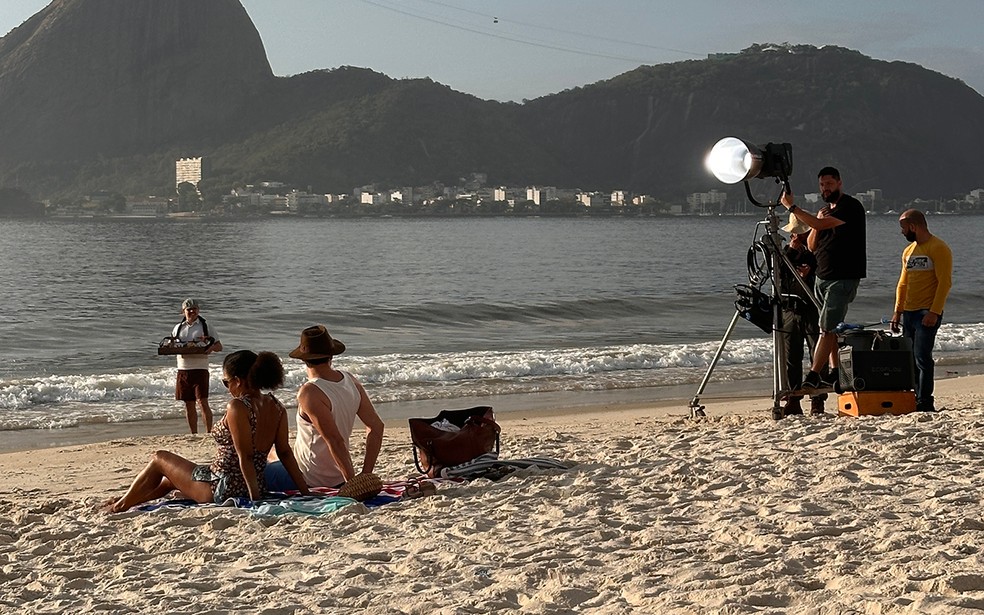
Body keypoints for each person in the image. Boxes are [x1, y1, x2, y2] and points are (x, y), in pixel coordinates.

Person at [102, 350, 310, 512]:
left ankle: (119, 507)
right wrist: (305, 492)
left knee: (159, 458)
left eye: (226, 382)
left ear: (238, 380)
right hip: (253, 484)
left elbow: (245, 456)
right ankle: (125, 500)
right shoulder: (277, 407)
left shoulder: (238, 407)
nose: (227, 388)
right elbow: (285, 452)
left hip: (221, 487)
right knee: (168, 481)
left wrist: (254, 501)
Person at [265, 325, 384, 491]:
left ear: (303, 359)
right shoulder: (350, 380)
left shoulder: (310, 392)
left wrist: (352, 484)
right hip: (336, 474)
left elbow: (335, 441)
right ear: (331, 356)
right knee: (272, 454)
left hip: (309, 476)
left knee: (255, 470)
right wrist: (365, 474)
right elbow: (376, 427)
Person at [780, 166, 866, 392]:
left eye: (829, 184)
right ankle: (836, 372)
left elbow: (818, 225)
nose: (825, 188)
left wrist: (792, 207)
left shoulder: (850, 207)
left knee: (826, 328)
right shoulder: (824, 211)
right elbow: (811, 245)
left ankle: (814, 374)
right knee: (832, 329)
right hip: (823, 276)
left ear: (839, 183)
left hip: (842, 277)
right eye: (822, 185)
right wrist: (816, 222)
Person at [890, 209, 953, 412]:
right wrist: (897, 311)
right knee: (910, 359)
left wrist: (934, 312)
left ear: (913, 227)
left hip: (927, 312)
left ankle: (925, 401)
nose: (902, 232)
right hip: (909, 312)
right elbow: (903, 283)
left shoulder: (938, 248)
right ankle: (915, 397)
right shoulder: (908, 251)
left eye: (903, 228)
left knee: (922, 357)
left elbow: (945, 283)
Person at [777, 212, 827, 416]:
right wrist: (791, 249)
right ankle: (793, 397)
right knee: (791, 356)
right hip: (791, 308)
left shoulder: (816, 251)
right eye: (793, 234)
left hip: (812, 308)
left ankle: (818, 398)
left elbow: (822, 272)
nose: (795, 237)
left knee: (817, 352)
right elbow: (779, 273)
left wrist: (809, 270)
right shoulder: (786, 254)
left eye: (798, 233)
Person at [172, 298, 222, 433]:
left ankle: (208, 432)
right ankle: (193, 434)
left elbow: (219, 346)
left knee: (202, 402)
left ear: (198, 310)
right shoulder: (178, 328)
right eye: (189, 309)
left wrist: (211, 348)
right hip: (183, 368)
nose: (192, 312)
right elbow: (173, 345)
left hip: (200, 368)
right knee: (188, 403)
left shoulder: (205, 326)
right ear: (183, 311)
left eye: (194, 309)